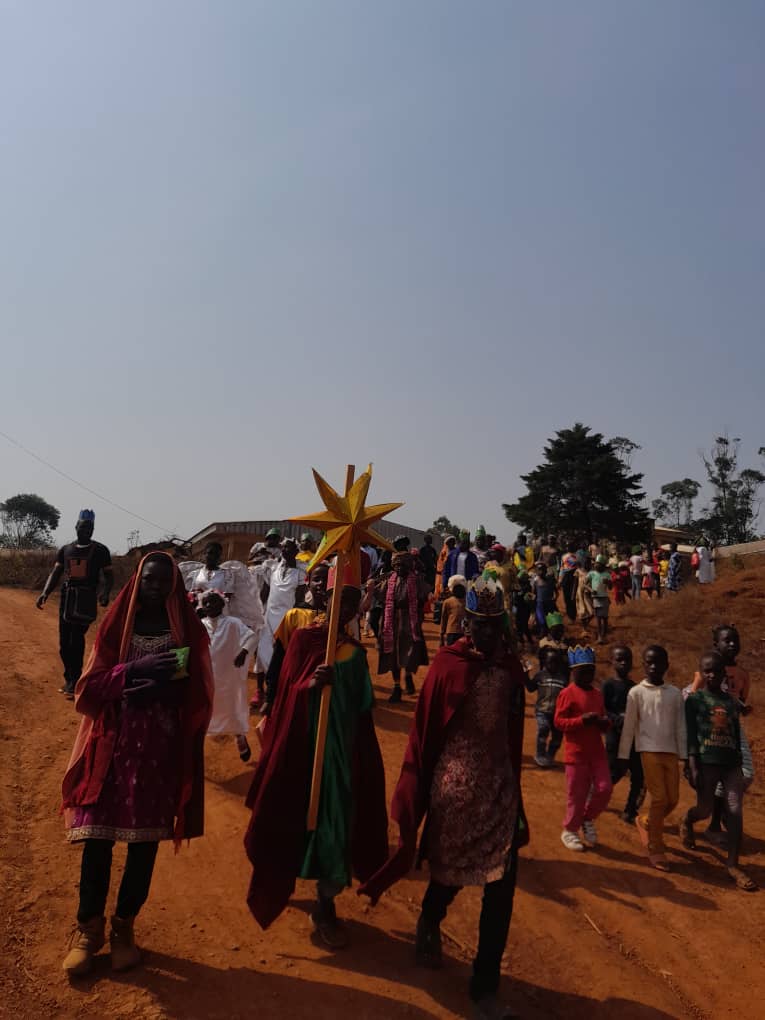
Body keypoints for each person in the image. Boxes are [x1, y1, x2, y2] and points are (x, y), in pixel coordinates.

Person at [359, 577, 529, 1020]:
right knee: (450, 873)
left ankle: (485, 986)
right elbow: (424, 730)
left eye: (494, 624)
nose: (487, 633)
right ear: (466, 623)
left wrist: (518, 797)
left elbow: (513, 734)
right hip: (454, 787)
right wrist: (417, 788)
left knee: (501, 888)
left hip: (501, 790)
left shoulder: (510, 668)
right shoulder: (448, 664)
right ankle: (430, 917)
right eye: (480, 624)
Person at [60, 552, 213, 976]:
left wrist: (165, 691)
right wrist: (132, 672)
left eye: (164, 580)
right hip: (111, 745)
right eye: (150, 578)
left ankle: (124, 929)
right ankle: (88, 931)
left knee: (143, 846)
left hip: (158, 752)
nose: (156, 586)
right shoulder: (116, 625)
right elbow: (89, 687)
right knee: (97, 841)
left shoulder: (186, 629)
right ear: (138, 579)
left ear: (174, 584)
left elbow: (198, 691)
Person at [243, 574, 388, 947]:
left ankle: (325, 904)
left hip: (340, 754)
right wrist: (310, 684)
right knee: (292, 815)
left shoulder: (355, 652)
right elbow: (287, 691)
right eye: (341, 600)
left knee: (335, 822)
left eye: (353, 603)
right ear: (325, 602)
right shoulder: (304, 641)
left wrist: (344, 685)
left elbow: (363, 705)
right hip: (303, 746)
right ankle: (282, 878)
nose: (346, 609)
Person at [681, 651, 756, 891]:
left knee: (734, 810)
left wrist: (740, 763)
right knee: (704, 809)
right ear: (701, 673)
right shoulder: (695, 700)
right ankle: (688, 820)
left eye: (716, 671)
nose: (711, 675)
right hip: (707, 762)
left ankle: (733, 865)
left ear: (724, 673)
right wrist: (692, 764)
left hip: (731, 764)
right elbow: (691, 734)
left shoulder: (731, 703)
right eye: (707, 671)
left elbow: (735, 733)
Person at [618, 645, 686, 871]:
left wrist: (684, 755)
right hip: (648, 751)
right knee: (659, 798)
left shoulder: (674, 694)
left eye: (659, 663)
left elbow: (680, 726)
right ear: (643, 665)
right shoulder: (636, 693)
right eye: (649, 662)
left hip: (671, 752)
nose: (654, 667)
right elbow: (629, 726)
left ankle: (646, 821)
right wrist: (623, 755)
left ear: (667, 665)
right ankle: (655, 847)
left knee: (672, 799)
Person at [37, 509, 114, 699]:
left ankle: (76, 681)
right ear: (76, 527)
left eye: (89, 528)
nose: (86, 530)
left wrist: (105, 594)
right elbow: (55, 574)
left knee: (76, 640)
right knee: (64, 643)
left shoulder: (100, 551)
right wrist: (45, 593)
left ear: (93, 529)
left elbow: (109, 576)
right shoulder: (66, 550)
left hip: (86, 600)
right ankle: (69, 678)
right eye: (83, 527)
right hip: (67, 599)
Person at [689, 624, 754, 844]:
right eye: (727, 640)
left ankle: (724, 813)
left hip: (732, 729)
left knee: (746, 773)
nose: (733, 644)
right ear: (716, 644)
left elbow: (739, 700)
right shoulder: (708, 668)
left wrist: (742, 708)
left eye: (736, 640)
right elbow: (694, 696)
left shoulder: (742, 674)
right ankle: (716, 824)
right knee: (718, 775)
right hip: (710, 729)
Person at [554, 647, 612, 852]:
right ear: (573, 671)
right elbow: (559, 722)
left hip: (597, 752)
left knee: (605, 789)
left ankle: (587, 818)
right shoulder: (566, 693)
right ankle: (570, 830)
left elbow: (604, 720)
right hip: (576, 754)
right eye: (583, 670)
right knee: (577, 795)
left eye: (591, 670)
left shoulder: (597, 694)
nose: (588, 674)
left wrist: (604, 723)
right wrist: (581, 721)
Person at [261, 562, 330, 717]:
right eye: (316, 579)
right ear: (308, 583)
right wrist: (270, 697)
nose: (321, 584)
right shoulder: (294, 615)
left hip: (326, 689)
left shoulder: (337, 619)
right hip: (295, 684)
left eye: (326, 580)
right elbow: (279, 656)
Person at [200, 590, 260, 762]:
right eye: (205, 602)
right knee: (205, 710)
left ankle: (239, 737)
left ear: (222, 604)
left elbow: (251, 637)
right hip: (208, 675)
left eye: (213, 601)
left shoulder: (233, 623)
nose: (209, 605)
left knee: (232, 708)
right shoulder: (200, 625)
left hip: (228, 676)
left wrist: (243, 652)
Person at [254, 538, 307, 709]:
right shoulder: (272, 568)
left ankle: (278, 690)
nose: (284, 551)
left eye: (288, 548)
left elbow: (299, 600)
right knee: (262, 650)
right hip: (269, 616)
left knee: (282, 655)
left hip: (287, 619)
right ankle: (260, 690)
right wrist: (259, 611)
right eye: (283, 548)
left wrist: (294, 621)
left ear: (296, 552)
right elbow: (265, 592)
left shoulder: (300, 574)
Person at [377, 550, 430, 702]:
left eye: (403, 565)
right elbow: (379, 596)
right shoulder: (388, 580)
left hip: (410, 622)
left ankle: (407, 675)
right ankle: (397, 687)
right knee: (393, 655)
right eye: (397, 565)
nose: (400, 568)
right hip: (391, 621)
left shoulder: (417, 580)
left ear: (409, 566)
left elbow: (425, 596)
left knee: (409, 651)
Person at [602, 646, 643, 823]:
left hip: (633, 738)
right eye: (619, 659)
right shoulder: (608, 685)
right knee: (615, 771)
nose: (624, 663)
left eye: (627, 659)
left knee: (639, 774)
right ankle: (596, 796)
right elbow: (603, 709)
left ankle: (630, 810)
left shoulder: (635, 688)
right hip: (615, 735)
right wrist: (619, 720)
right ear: (612, 661)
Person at [526, 645, 567, 768]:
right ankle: (540, 755)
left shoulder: (563, 678)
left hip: (558, 712)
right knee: (543, 729)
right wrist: (525, 675)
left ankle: (550, 756)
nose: (552, 665)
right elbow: (530, 688)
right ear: (545, 662)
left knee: (557, 736)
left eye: (555, 662)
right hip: (542, 711)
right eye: (550, 662)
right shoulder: (540, 675)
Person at [587, 555, 612, 645]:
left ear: (603, 566)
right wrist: (591, 590)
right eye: (596, 564)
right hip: (596, 598)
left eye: (599, 564)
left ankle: (604, 635)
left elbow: (610, 587)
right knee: (598, 618)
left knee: (605, 618)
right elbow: (585, 584)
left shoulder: (607, 574)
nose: (596, 565)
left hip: (604, 598)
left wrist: (608, 582)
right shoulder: (591, 574)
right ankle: (599, 636)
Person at [439, 575, 467, 646]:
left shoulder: (447, 602)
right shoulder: (468, 602)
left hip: (453, 632)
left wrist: (441, 635)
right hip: (461, 632)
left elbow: (443, 619)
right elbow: (444, 618)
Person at [530, 562, 557, 637]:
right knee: (541, 618)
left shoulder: (549, 580)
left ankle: (550, 632)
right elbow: (533, 593)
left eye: (542, 570)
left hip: (547, 602)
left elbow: (555, 591)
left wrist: (554, 599)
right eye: (539, 570)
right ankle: (543, 632)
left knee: (550, 618)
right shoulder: (536, 580)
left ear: (545, 571)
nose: (540, 572)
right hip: (541, 602)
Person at [513, 569, 534, 647]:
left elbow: (528, 599)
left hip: (523, 609)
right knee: (520, 625)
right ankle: (525, 640)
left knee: (523, 625)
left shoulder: (526, 588)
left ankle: (528, 641)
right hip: (520, 608)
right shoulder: (521, 587)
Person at [433, 535, 456, 603]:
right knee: (439, 593)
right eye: (450, 542)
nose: (451, 543)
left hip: (450, 576)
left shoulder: (455, 552)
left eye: (453, 542)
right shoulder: (444, 551)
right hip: (440, 575)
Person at [559, 548, 579, 622]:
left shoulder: (576, 556)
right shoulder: (564, 556)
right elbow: (562, 568)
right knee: (568, 597)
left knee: (571, 597)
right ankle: (571, 615)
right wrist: (560, 579)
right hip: (568, 576)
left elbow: (578, 567)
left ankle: (572, 615)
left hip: (573, 576)